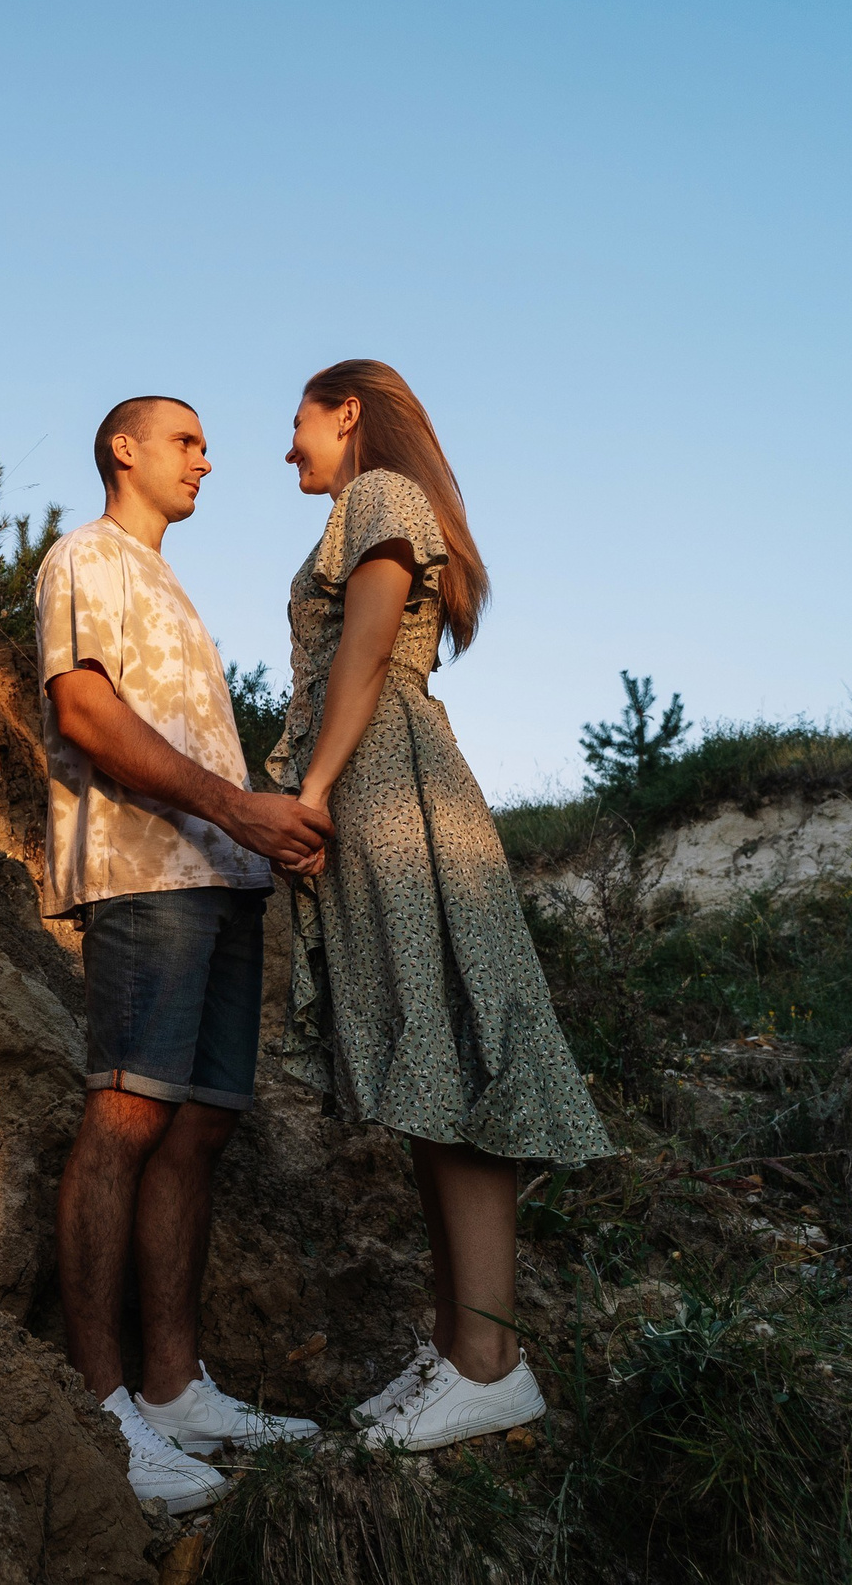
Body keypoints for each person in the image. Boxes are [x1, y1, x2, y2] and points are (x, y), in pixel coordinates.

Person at [267, 359, 618, 1452]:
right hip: (388, 779)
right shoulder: (380, 502)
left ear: (348, 412)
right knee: (432, 1063)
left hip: (388, 782)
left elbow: (367, 641)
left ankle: (490, 1364)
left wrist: (316, 788)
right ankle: (462, 1347)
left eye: (298, 422)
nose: (287, 447)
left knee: (451, 1056)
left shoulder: (379, 494)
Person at [35, 394, 330, 1514]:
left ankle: (173, 1389)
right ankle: (100, 1405)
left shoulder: (167, 582)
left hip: (222, 879)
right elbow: (86, 714)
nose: (207, 460)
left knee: (199, 1129)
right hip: (144, 874)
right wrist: (239, 808)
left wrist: (258, 829)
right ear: (125, 448)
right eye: (186, 440)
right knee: (126, 1115)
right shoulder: (86, 556)